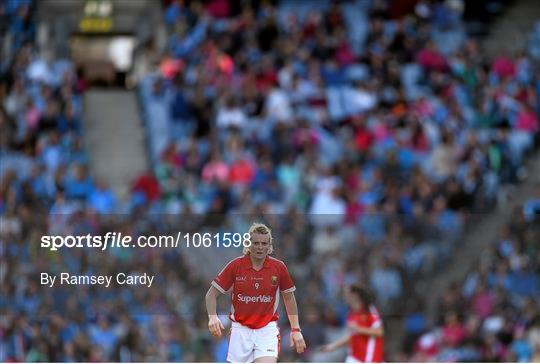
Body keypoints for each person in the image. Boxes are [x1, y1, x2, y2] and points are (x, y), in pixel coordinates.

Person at [205, 223, 307, 362]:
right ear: (248, 243)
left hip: (267, 330)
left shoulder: (278, 267)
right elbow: (211, 294)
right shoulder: (236, 266)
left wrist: (295, 330)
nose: (260, 247)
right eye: (256, 243)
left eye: (264, 243)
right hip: (240, 331)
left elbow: (289, 298)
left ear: (269, 245)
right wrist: (212, 317)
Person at [320, 284, 384, 362]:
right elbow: (353, 336)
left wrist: (358, 328)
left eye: (346, 293)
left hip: (370, 358)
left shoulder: (370, 310)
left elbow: (379, 331)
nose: (344, 297)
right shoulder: (351, 314)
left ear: (355, 295)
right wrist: (333, 346)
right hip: (355, 357)